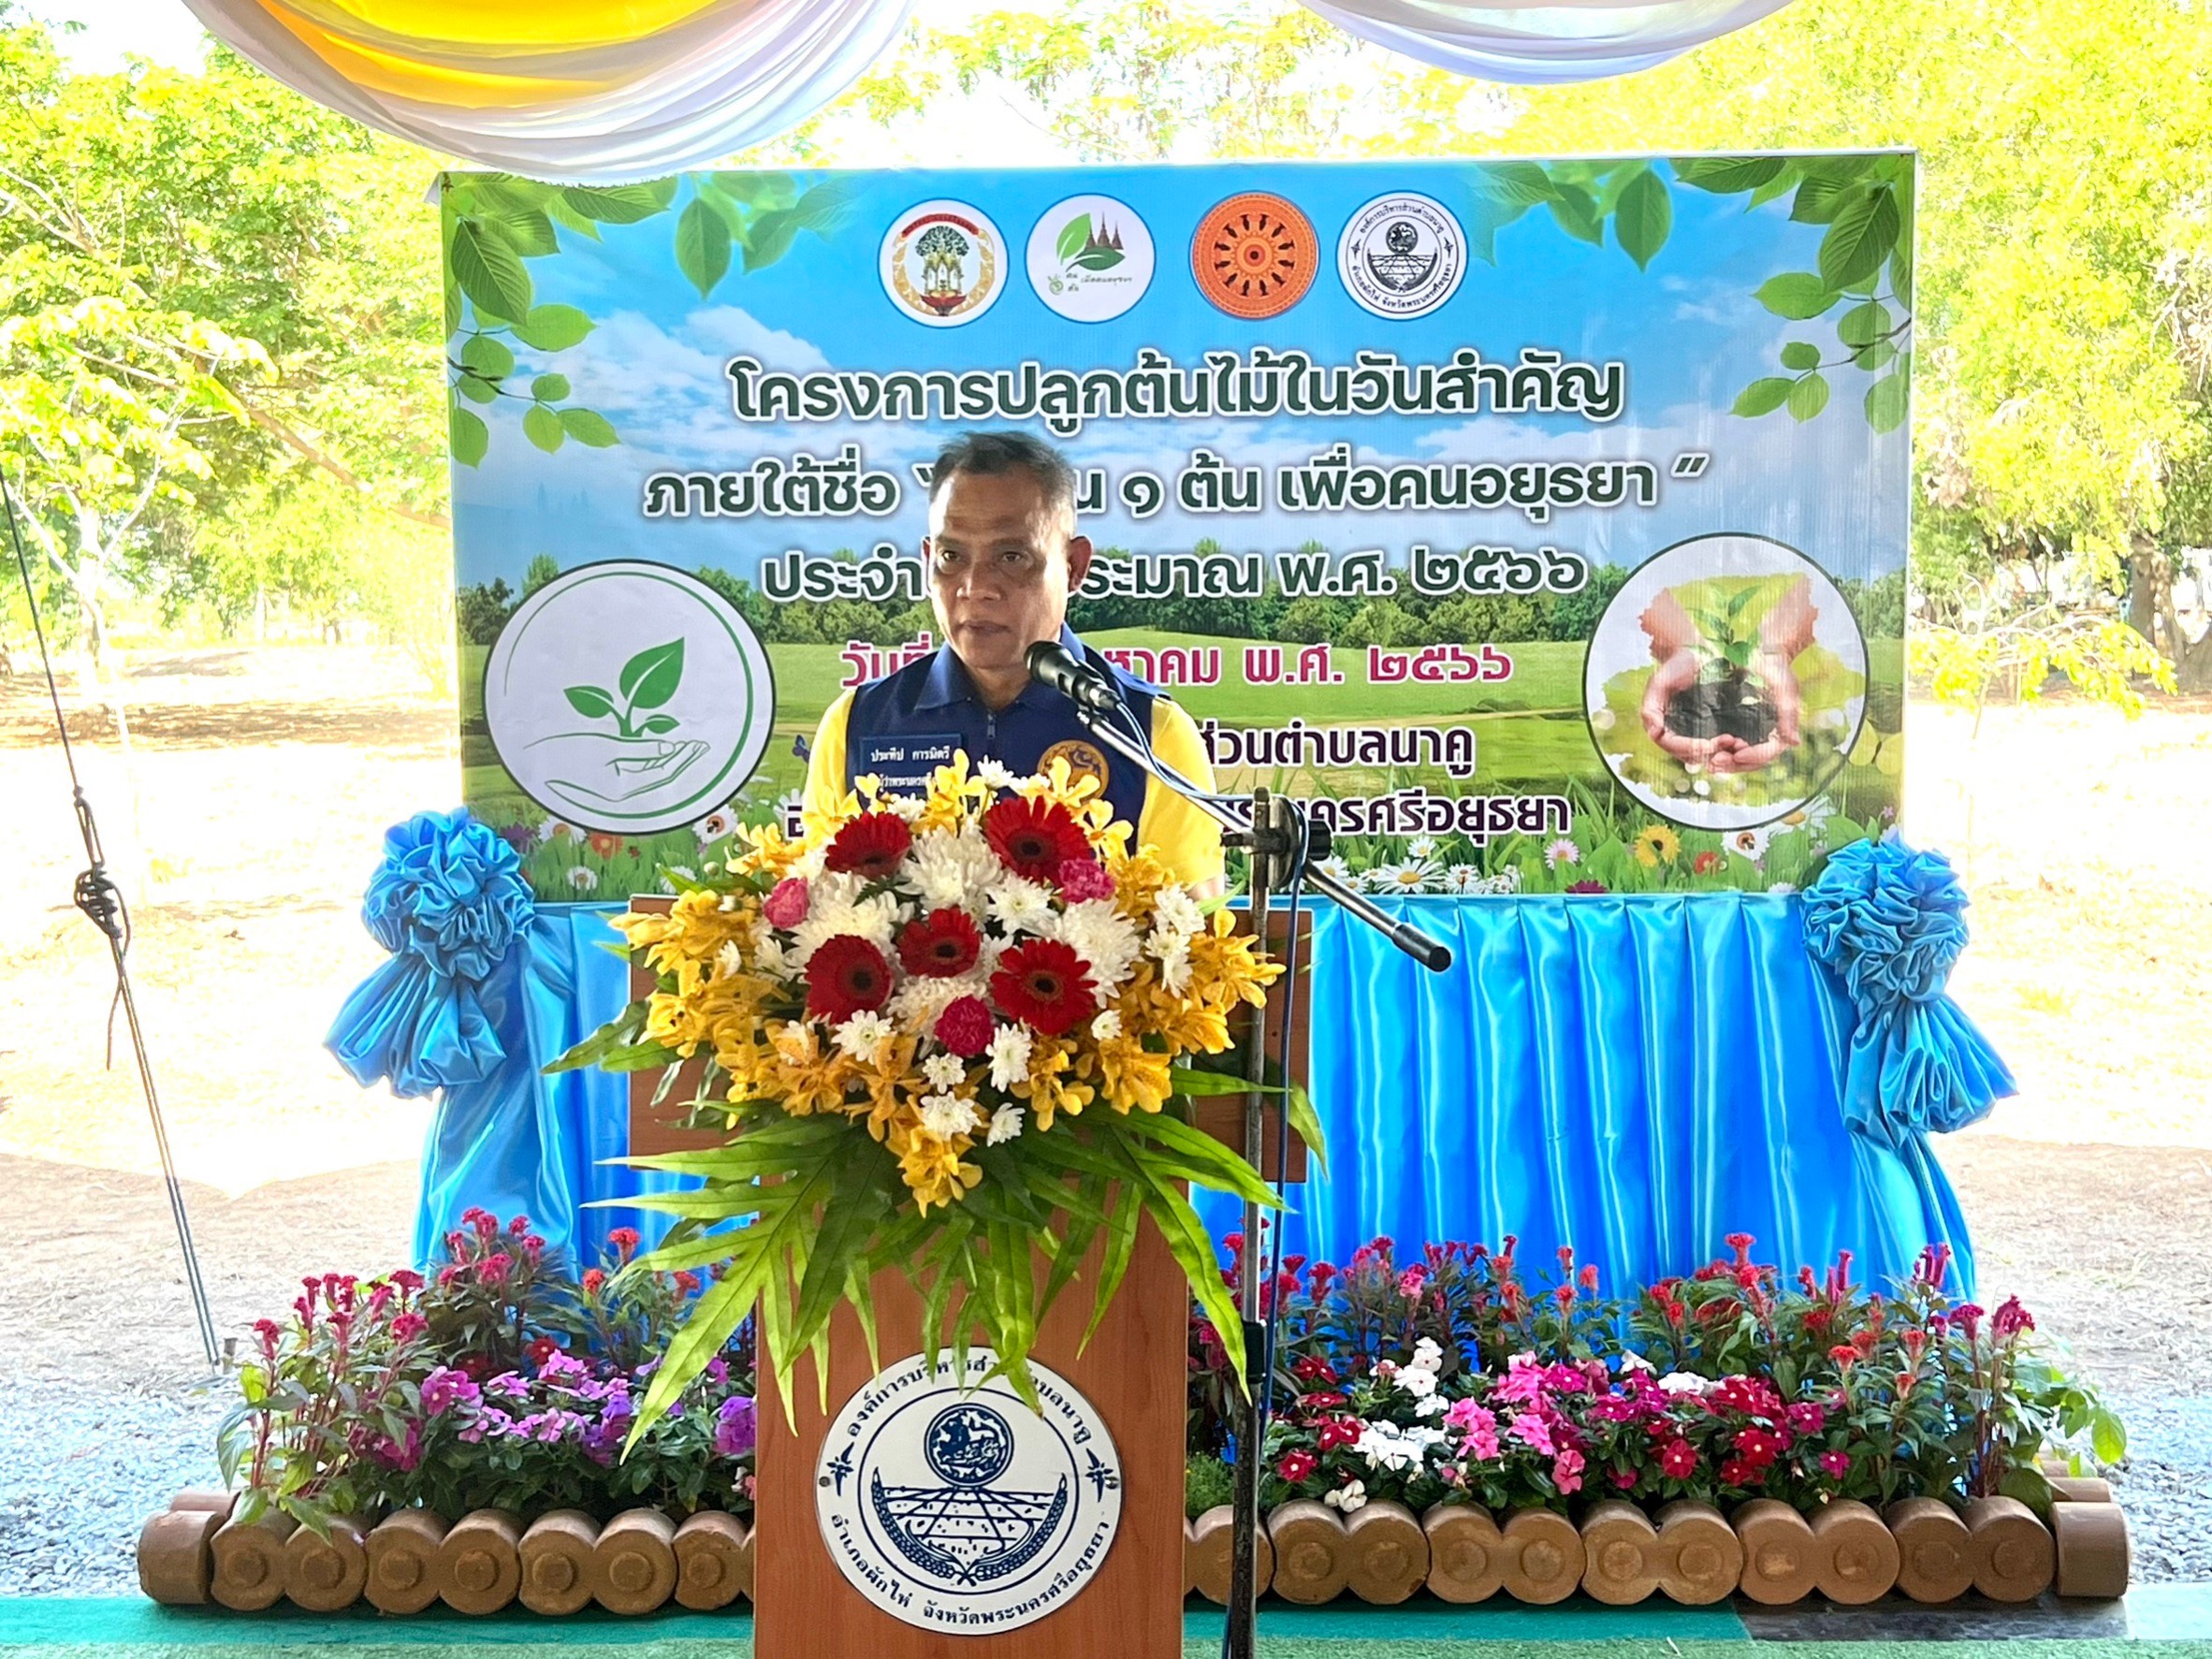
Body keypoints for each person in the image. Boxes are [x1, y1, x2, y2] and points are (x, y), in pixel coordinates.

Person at [803, 430, 1225, 894]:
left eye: (1011, 556)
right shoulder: (858, 724)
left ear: (1074, 567)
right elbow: (821, 916)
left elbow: (1194, 944)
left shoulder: (1148, 732)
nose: (974, 586)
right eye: (951, 556)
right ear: (926, 560)